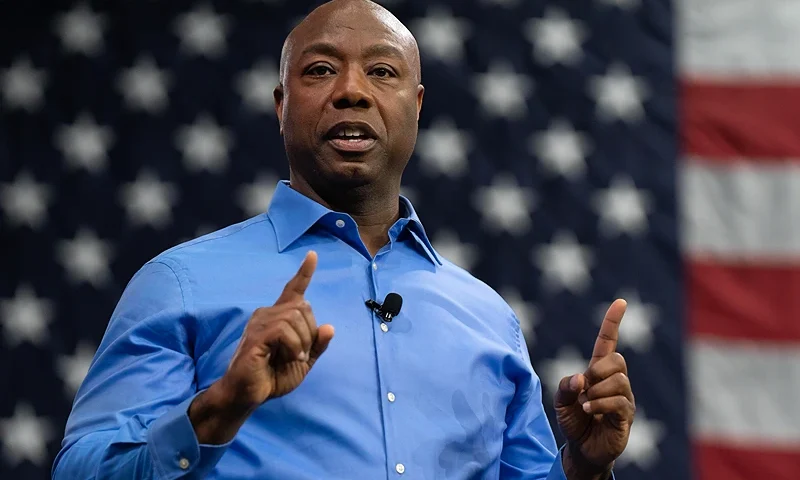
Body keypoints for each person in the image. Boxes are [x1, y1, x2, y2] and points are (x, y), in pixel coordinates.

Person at [52, 0, 635, 479]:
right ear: (281, 106)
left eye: (382, 72)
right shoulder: (179, 284)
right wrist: (220, 408)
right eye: (319, 70)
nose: (352, 91)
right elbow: (81, 470)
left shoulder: (488, 316)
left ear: (417, 106)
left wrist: (583, 467)